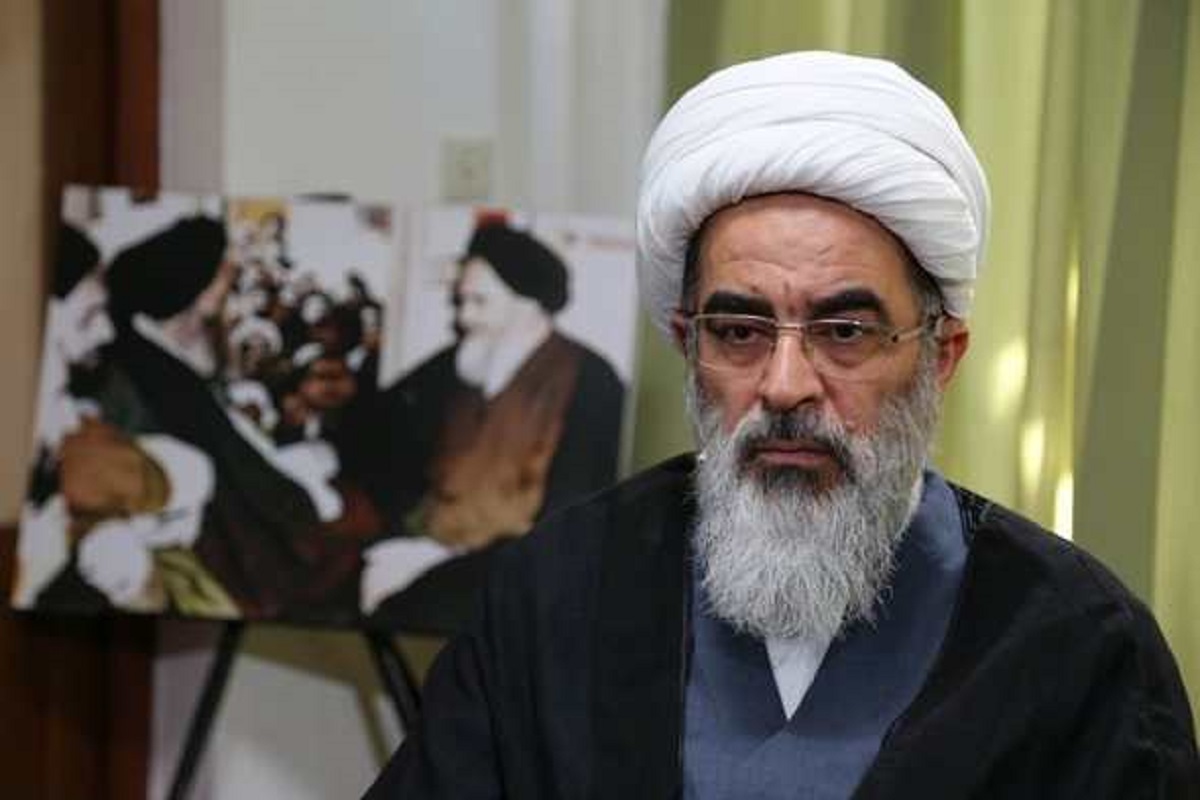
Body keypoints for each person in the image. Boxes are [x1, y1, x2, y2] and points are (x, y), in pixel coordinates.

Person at [363, 52, 1199, 797]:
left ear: (940, 354)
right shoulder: (555, 595)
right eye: (739, 331)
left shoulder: (1079, 648)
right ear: (688, 345)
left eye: (845, 331)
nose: (786, 385)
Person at [352, 218, 625, 626]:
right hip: (424, 550)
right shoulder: (455, 363)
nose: (464, 317)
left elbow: (573, 523)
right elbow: (374, 432)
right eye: (461, 301)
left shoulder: (592, 382)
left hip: (517, 573)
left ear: (527, 304)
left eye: (478, 302)